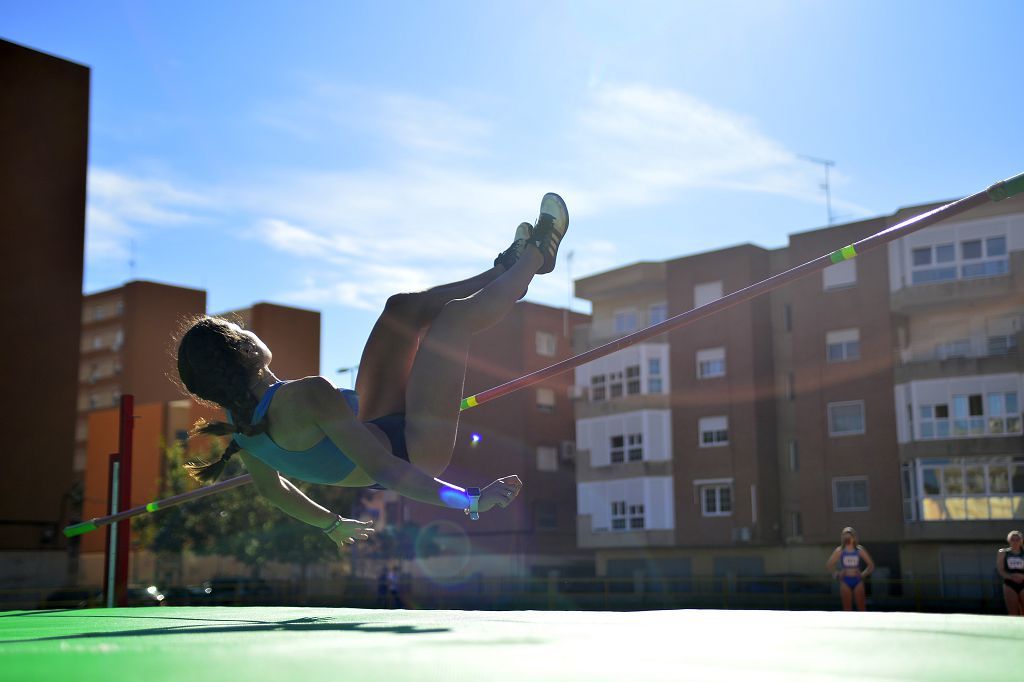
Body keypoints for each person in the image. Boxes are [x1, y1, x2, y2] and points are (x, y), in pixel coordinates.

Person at [174, 193, 569, 551]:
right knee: (453, 320)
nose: (250, 329)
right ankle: (539, 255)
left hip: (377, 428)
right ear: (244, 349)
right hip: (413, 450)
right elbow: (389, 470)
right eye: (243, 330)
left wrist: (329, 524)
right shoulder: (308, 396)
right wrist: (471, 499)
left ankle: (505, 273)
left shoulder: (242, 424)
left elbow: (273, 491)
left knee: (400, 310)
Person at [825, 526, 875, 611]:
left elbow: (871, 565)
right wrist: (837, 574)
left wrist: (863, 574)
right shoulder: (840, 550)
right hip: (845, 581)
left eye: (849, 536)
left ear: (854, 537)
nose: (847, 538)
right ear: (842, 538)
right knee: (847, 609)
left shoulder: (859, 550)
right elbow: (829, 565)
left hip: (857, 580)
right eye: (845, 536)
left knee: (862, 608)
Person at [997, 530, 1024, 616]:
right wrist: (1012, 577)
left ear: (1021, 540)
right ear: (1009, 541)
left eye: (1017, 539)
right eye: (1013, 539)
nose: (1015, 542)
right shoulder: (1003, 552)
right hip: (1010, 583)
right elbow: (1001, 570)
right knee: (1013, 613)